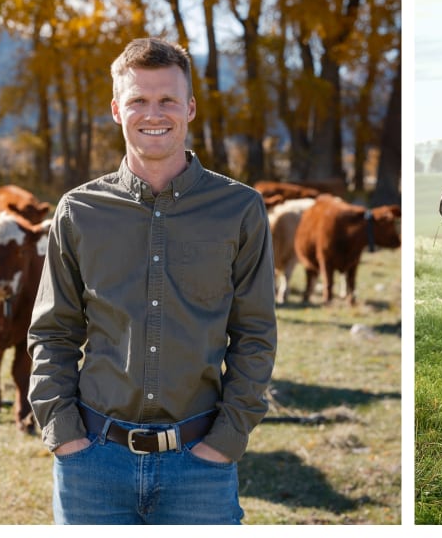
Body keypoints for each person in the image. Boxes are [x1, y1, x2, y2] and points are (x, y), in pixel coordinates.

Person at [28, 37, 277, 524]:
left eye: (166, 99)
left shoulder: (240, 209)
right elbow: (52, 331)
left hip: (199, 465)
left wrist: (226, 442)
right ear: (118, 110)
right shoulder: (79, 211)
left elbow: (255, 333)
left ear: (190, 107)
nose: (153, 112)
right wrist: (65, 436)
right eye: (139, 100)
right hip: (92, 465)